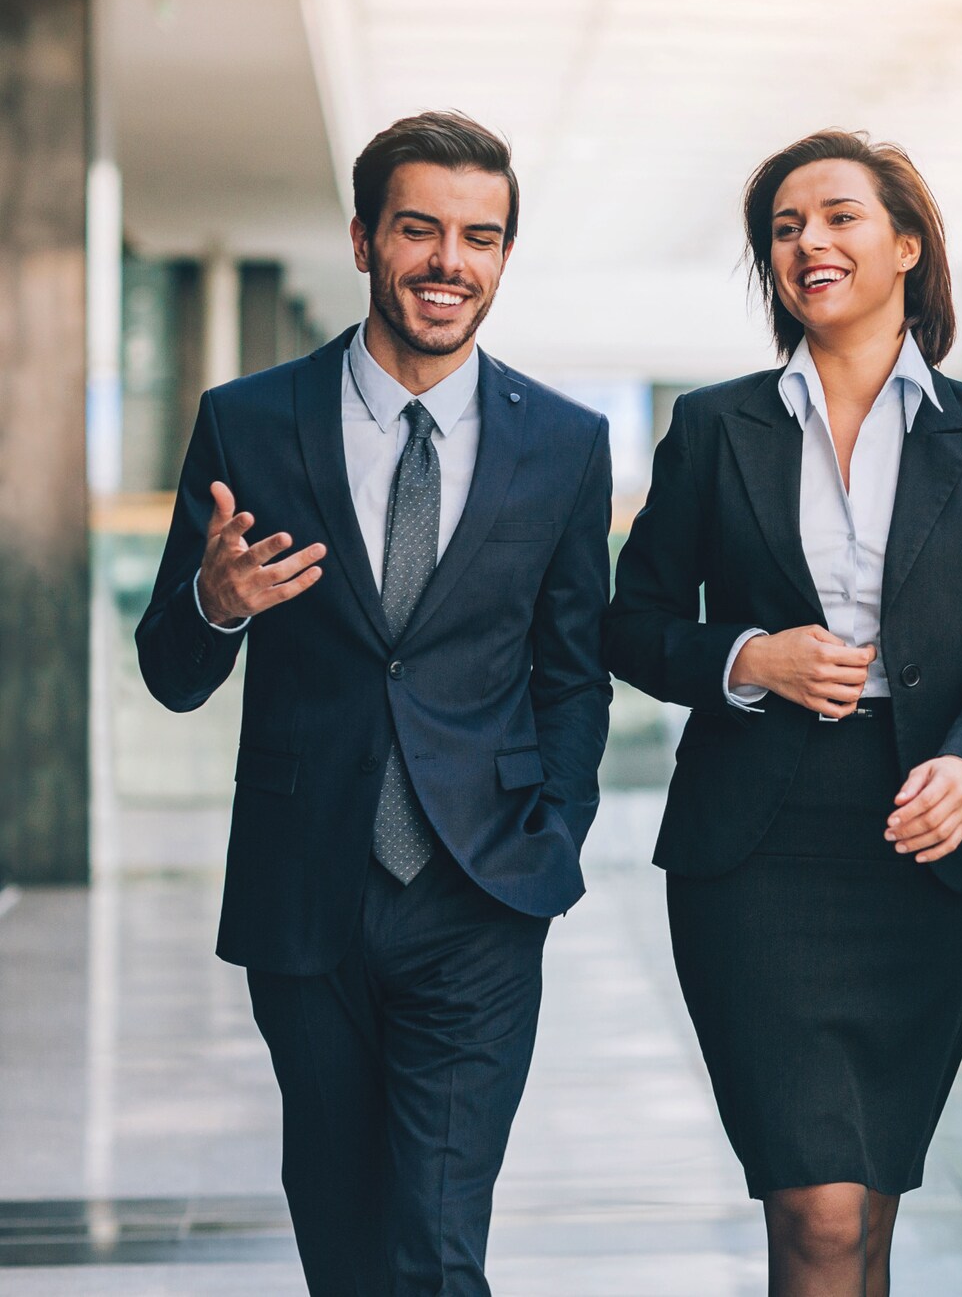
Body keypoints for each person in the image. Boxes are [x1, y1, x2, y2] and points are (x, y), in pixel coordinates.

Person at [134, 111, 613, 1297]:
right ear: (363, 239)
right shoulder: (249, 422)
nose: (450, 261)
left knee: (437, 1243)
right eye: (420, 230)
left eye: (480, 237)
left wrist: (548, 837)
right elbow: (170, 668)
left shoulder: (562, 442)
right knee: (343, 1238)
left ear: (503, 256)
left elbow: (571, 671)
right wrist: (216, 602)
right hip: (305, 892)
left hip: (480, 893)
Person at [603, 129, 962, 1296]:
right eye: (783, 226)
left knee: (869, 1207)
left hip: (922, 839)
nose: (808, 240)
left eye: (838, 216)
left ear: (906, 244)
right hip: (756, 845)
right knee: (813, 1208)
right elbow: (632, 621)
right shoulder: (717, 425)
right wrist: (751, 654)